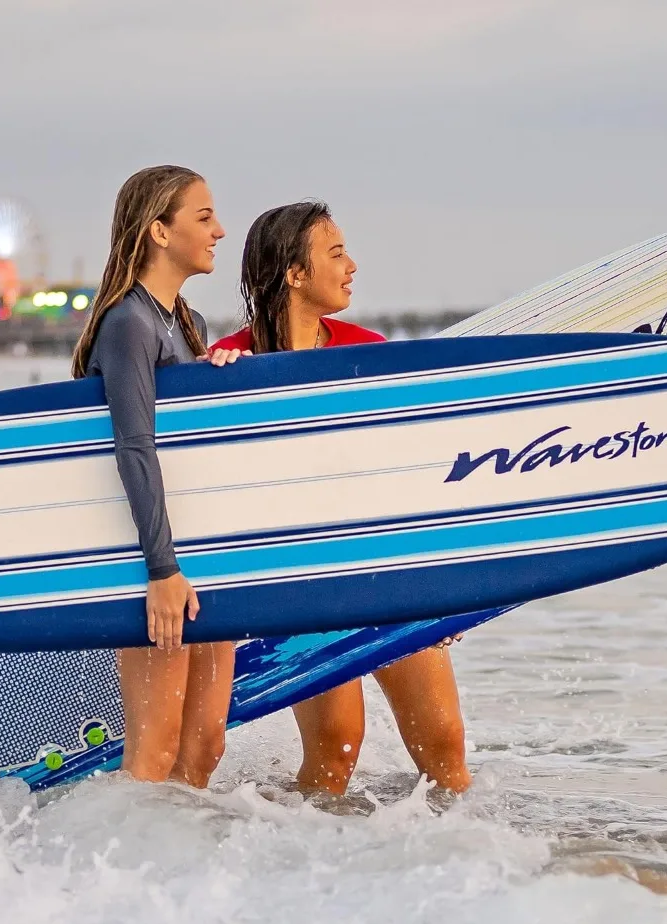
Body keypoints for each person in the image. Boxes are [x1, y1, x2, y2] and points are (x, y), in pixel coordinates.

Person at [210, 201, 472, 796]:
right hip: (306, 579)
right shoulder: (231, 363)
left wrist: (444, 582)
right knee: (336, 746)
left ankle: (469, 869)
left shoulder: (368, 352)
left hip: (385, 572)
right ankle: (312, 869)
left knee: (445, 744)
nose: (351, 266)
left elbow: (412, 474)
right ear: (295, 275)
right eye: (335, 253)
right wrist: (218, 387)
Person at [70, 165, 239, 785]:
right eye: (203, 217)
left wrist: (215, 374)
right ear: (158, 232)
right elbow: (134, 447)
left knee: (205, 745)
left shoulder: (179, 321)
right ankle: (111, 873)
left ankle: (181, 876)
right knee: (156, 751)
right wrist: (161, 571)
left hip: (200, 551)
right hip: (157, 561)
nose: (219, 230)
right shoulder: (129, 324)